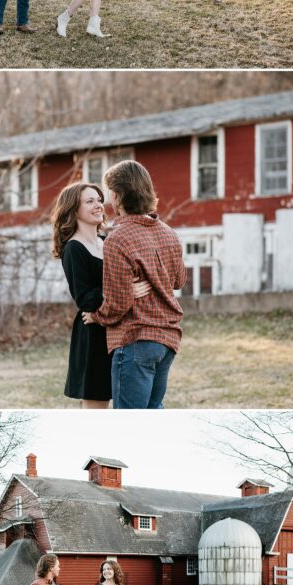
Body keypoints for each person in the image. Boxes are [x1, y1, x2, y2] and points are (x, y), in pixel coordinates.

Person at [82, 160, 188, 409]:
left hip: (136, 339)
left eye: (109, 193)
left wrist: (97, 316)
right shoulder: (168, 233)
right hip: (167, 341)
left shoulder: (117, 239)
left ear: (117, 195)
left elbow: (117, 304)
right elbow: (179, 280)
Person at [51, 181, 150, 408]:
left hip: (121, 330)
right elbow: (85, 299)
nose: (98, 205)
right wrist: (125, 290)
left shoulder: (107, 242)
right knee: (97, 408)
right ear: (73, 209)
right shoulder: (74, 249)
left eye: (98, 199)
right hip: (93, 335)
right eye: (89, 201)